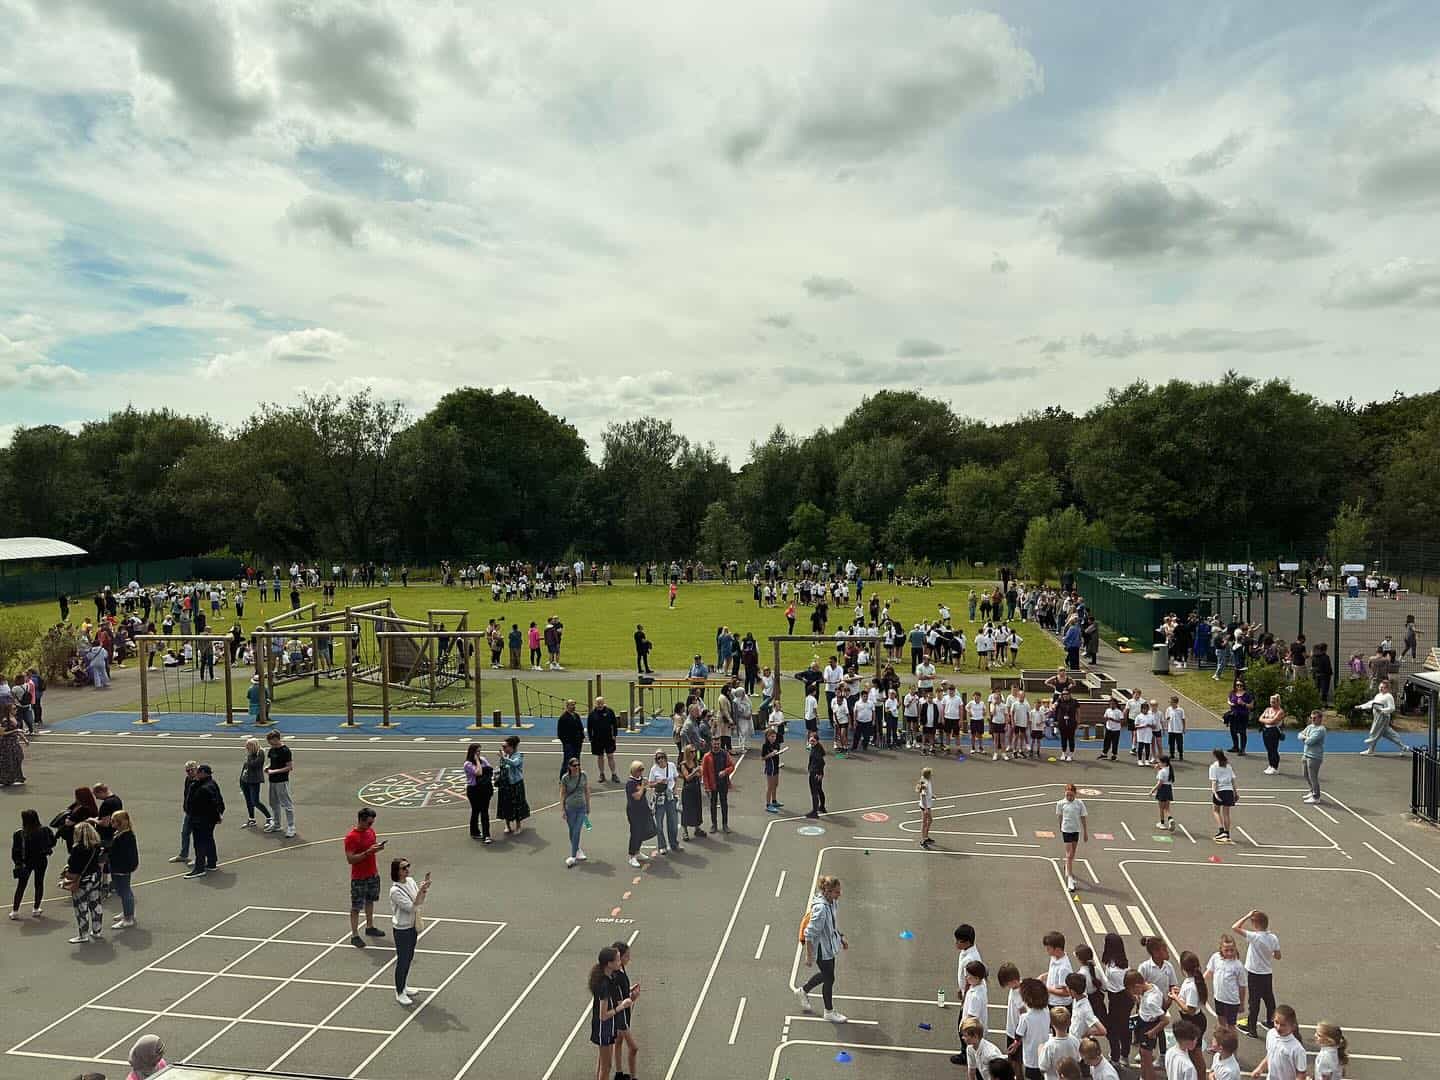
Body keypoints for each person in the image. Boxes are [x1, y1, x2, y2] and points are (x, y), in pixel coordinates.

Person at [796, 874, 848, 1023]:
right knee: (829, 978)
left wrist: (840, 937)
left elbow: (832, 924)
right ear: (827, 891)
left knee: (827, 976)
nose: (840, 894)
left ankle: (803, 991)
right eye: (837, 892)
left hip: (829, 946)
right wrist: (809, 956)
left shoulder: (832, 903)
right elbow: (810, 933)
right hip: (821, 949)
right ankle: (829, 1011)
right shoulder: (821, 909)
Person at [590, 947, 636, 1080]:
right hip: (603, 1027)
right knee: (606, 1067)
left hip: (609, 1025)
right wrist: (622, 1007)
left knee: (606, 1066)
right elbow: (603, 1015)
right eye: (617, 960)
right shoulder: (604, 984)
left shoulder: (610, 978)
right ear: (609, 964)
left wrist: (629, 995)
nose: (619, 962)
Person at [1232, 909, 1280, 1038]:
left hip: (1254, 974)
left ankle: (1252, 1028)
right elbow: (1278, 956)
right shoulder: (1273, 938)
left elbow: (1235, 927)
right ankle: (1271, 1022)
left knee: (1254, 1002)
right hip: (1267, 973)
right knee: (1269, 999)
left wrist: (1247, 915)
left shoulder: (1254, 937)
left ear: (1256, 923)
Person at [389, 857, 430, 1006]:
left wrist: (423, 890)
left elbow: (419, 901)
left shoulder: (411, 881)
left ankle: (404, 986)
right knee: (403, 960)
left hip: (412, 926)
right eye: (403, 868)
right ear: (397, 871)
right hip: (402, 929)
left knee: (409, 957)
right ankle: (399, 992)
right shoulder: (395, 891)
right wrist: (422, 891)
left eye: (408, 866)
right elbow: (412, 907)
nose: (407, 869)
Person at [344, 808, 387, 948]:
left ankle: (370, 926)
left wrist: (377, 848)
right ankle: (354, 935)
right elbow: (350, 859)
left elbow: (371, 849)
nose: (371, 825)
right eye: (369, 822)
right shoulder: (351, 837)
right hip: (359, 877)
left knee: (370, 900)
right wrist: (368, 852)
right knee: (356, 906)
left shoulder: (370, 832)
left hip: (372, 873)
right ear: (361, 820)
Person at [65, 820, 105, 944]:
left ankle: (83, 934)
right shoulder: (97, 846)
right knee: (95, 903)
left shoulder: (77, 850)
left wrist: (66, 875)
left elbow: (73, 870)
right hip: (95, 877)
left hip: (82, 880)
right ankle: (97, 930)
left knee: (81, 907)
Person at [10, 808, 53, 920]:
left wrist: (18, 863)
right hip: (41, 860)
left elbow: (15, 852)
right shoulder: (45, 830)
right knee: (39, 883)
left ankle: (15, 911)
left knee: (21, 885)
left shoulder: (19, 834)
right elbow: (52, 842)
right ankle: (36, 908)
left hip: (25, 862)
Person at [183, 765, 224, 879]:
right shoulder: (211, 784)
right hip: (207, 819)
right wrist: (219, 815)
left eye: (199, 772)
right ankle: (211, 862)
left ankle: (199, 868)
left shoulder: (203, 788)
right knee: (209, 840)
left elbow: (211, 805)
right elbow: (219, 802)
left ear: (204, 773)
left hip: (200, 820)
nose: (196, 773)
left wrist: (216, 815)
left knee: (199, 843)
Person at [108, 810, 139, 929]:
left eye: (114, 822)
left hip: (122, 868)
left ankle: (128, 917)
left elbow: (124, 854)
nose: (111, 824)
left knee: (125, 891)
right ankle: (127, 911)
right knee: (121, 890)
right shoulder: (120, 833)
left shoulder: (126, 836)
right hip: (118, 867)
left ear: (121, 823)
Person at [1055, 784, 1089, 892]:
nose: (1069, 797)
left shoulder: (1079, 803)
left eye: (1071, 795)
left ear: (1075, 793)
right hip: (1066, 830)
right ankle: (1070, 879)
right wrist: (1060, 826)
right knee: (1069, 854)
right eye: (1067, 795)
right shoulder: (1060, 803)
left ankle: (1067, 866)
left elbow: (1083, 817)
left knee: (1073, 853)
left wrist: (1085, 832)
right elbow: (1060, 815)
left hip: (1076, 830)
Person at [1358, 678, 1404, 754]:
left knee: (1374, 732)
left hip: (1383, 718)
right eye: (1380, 687)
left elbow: (1392, 708)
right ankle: (1403, 747)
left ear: (1387, 688)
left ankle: (1371, 743)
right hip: (1377, 717)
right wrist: (1361, 706)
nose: (1380, 688)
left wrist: (1382, 711)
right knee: (1390, 735)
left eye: (1382, 687)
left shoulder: (1389, 696)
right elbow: (1371, 703)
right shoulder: (1378, 695)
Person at [625, 761, 657, 868]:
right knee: (635, 832)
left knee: (642, 831)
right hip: (634, 811)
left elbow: (647, 788)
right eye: (640, 770)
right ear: (634, 771)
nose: (641, 772)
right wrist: (643, 786)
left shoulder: (640, 780)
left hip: (643, 809)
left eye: (642, 770)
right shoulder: (630, 783)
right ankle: (632, 855)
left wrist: (653, 783)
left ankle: (637, 851)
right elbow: (637, 796)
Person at [264, 730, 296, 838]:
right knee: (274, 804)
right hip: (272, 781)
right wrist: (268, 767)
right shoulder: (272, 749)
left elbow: (289, 767)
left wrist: (274, 771)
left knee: (287, 804)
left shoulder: (285, 750)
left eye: (271, 741)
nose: (270, 744)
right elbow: (273, 762)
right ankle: (277, 824)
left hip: (281, 781)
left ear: (276, 739)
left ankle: (291, 826)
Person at [560, 758, 591, 866]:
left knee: (577, 830)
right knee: (572, 830)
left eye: (578, 765)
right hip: (570, 808)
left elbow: (587, 790)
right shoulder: (565, 778)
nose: (577, 767)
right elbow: (563, 794)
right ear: (569, 767)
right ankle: (577, 849)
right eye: (574, 765)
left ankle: (573, 855)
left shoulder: (583, 775)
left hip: (581, 807)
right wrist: (563, 809)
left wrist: (588, 805)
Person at [649, 749, 680, 854]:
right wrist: (658, 782)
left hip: (670, 797)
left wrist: (675, 790)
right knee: (659, 824)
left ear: (666, 757)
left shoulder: (671, 766)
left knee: (673, 823)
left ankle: (674, 843)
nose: (661, 759)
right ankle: (662, 845)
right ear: (656, 760)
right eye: (658, 758)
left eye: (662, 757)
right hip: (659, 798)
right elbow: (650, 784)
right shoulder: (654, 769)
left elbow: (676, 778)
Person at [498, 735, 531, 834]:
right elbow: (502, 767)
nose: (503, 749)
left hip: (516, 783)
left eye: (505, 747)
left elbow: (515, 763)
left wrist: (504, 758)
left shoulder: (519, 755)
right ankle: (507, 825)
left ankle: (518, 825)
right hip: (505, 783)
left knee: (517, 804)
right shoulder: (505, 756)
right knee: (505, 804)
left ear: (512, 747)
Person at [702, 738, 736, 834]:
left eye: (718, 744)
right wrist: (706, 787)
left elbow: (732, 766)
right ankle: (714, 824)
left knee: (724, 804)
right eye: (714, 744)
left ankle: (725, 824)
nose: (716, 745)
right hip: (712, 785)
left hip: (723, 784)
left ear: (720, 744)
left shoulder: (725, 754)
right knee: (712, 805)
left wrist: (725, 772)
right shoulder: (707, 756)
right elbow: (704, 774)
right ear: (711, 744)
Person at [167, 762, 198, 865]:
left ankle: (200, 858)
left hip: (197, 814)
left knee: (198, 837)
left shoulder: (199, 781)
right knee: (185, 833)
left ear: (196, 769)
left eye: (191, 770)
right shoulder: (188, 779)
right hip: (188, 812)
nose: (189, 772)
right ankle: (183, 855)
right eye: (187, 771)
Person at [238, 738, 272, 829]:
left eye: (248, 745)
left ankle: (269, 817)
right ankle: (251, 819)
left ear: (253, 746)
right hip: (245, 780)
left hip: (254, 781)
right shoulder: (251, 754)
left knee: (255, 801)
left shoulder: (259, 753)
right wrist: (241, 780)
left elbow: (254, 764)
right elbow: (245, 767)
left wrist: (249, 757)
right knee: (248, 801)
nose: (246, 747)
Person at [464, 743, 495, 843]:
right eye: (477, 751)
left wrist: (481, 764)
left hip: (485, 789)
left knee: (484, 811)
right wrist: (477, 761)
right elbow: (479, 772)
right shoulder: (468, 764)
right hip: (474, 790)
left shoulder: (483, 759)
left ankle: (487, 835)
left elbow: (490, 770)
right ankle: (474, 831)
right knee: (475, 811)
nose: (479, 753)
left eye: (479, 751)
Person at [588, 698, 620, 783]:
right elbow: (589, 727)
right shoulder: (592, 714)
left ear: (604, 703)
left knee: (610, 756)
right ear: (595, 703)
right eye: (598, 703)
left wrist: (614, 735)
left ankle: (614, 774)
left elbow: (614, 724)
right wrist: (590, 738)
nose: (599, 704)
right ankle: (601, 774)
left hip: (608, 738)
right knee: (600, 757)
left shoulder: (610, 711)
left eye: (601, 703)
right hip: (597, 739)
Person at [1297, 711, 1326, 804]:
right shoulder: (1309, 727)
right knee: (1305, 775)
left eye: (1315, 718)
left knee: (1313, 777)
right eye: (1311, 717)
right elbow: (1299, 735)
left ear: (1320, 718)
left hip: (1314, 757)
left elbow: (1310, 741)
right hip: (1306, 754)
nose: (1312, 719)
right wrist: (1305, 737)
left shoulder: (1321, 730)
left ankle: (1316, 796)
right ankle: (1311, 790)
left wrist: (1304, 737)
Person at [1209, 749, 1238, 844]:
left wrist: (1214, 793)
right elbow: (1233, 780)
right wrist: (1235, 793)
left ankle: (1221, 831)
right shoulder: (1228, 766)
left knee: (1215, 811)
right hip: (1229, 791)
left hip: (1220, 791)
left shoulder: (1213, 767)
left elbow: (1214, 781)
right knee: (1226, 814)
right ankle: (1227, 833)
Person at [679, 744, 705, 839]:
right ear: (687, 753)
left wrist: (698, 772)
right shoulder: (683, 764)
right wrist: (695, 772)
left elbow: (700, 774)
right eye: (691, 752)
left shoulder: (696, 762)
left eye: (694, 752)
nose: (694, 754)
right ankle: (685, 831)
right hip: (688, 790)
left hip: (696, 788)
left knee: (697, 808)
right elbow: (687, 777)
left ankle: (697, 828)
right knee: (686, 810)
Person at [1257, 695, 1286, 775]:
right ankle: (1270, 765)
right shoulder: (1267, 709)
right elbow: (1260, 718)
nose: (1272, 703)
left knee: (1273, 749)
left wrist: (1266, 720)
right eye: (1271, 702)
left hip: (1274, 731)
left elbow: (1273, 721)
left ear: (1278, 702)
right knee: (1268, 749)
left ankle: (1275, 767)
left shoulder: (1280, 711)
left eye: (1273, 702)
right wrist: (1267, 720)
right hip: (1266, 730)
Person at [558, 700, 584, 779]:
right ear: (567, 706)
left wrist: (582, 737)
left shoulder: (576, 715)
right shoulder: (563, 717)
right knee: (567, 761)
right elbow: (560, 733)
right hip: (569, 743)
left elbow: (580, 727)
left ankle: (576, 777)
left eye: (574, 705)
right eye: (572, 705)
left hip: (577, 743)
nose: (574, 706)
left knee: (577, 760)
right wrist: (566, 743)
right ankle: (562, 778)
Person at [1225, 681, 1253, 755]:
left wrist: (1243, 703)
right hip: (1234, 715)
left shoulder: (1247, 695)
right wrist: (1230, 703)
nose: (1239, 687)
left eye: (1241, 685)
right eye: (1237, 685)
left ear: (1243, 686)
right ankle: (1235, 747)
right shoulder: (1232, 692)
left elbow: (1251, 706)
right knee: (1233, 731)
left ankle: (1242, 749)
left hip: (1243, 716)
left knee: (1242, 732)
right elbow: (1228, 699)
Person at [761, 727, 786, 813]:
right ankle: (768, 805)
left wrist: (779, 752)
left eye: (774, 736)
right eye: (772, 736)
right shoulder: (765, 746)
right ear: (767, 737)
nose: (774, 738)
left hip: (776, 766)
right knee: (770, 787)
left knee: (775, 785)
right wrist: (771, 754)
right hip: (770, 767)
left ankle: (774, 801)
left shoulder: (776, 744)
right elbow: (763, 758)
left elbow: (776, 754)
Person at [805, 732, 827, 819]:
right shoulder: (817, 747)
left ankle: (814, 812)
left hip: (815, 773)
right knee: (819, 790)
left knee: (814, 792)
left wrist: (819, 773)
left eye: (813, 741)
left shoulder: (816, 750)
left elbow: (822, 762)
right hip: (817, 773)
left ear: (817, 741)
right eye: (810, 741)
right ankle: (822, 807)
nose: (811, 742)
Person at [917, 766, 935, 848]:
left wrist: (932, 795)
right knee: (925, 823)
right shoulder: (925, 783)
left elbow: (927, 793)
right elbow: (923, 796)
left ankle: (926, 837)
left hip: (927, 805)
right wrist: (926, 809)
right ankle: (923, 840)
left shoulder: (925, 780)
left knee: (929, 821)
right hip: (925, 806)